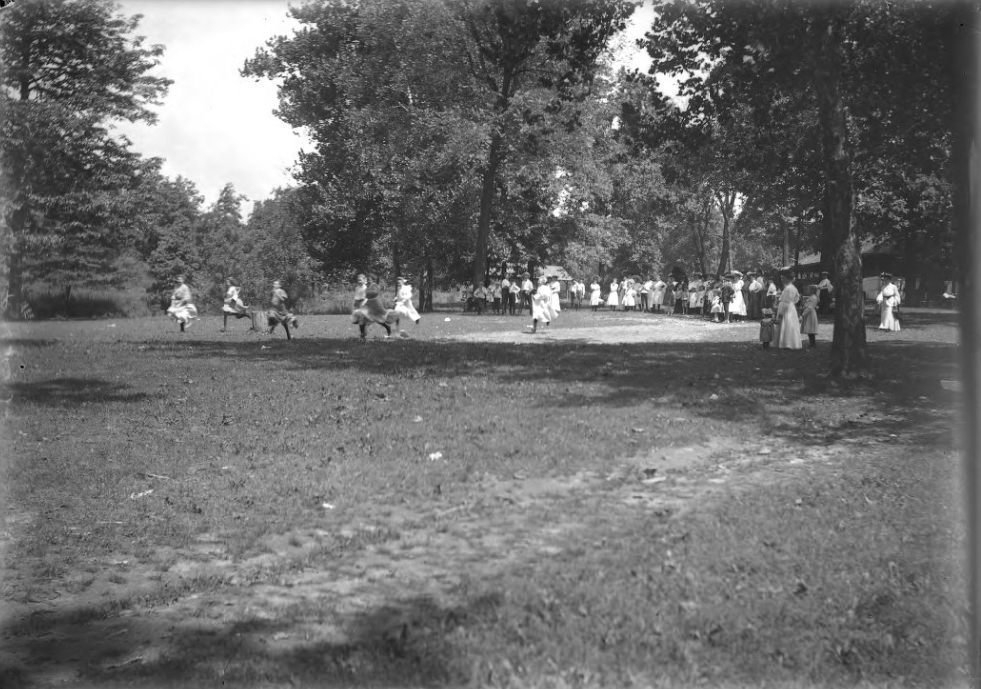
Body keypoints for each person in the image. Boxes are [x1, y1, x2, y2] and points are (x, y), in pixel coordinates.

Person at [775, 270, 802, 349]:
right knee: (788, 325)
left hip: (787, 309)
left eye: (783, 278)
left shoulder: (789, 289)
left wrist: (780, 314)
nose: (782, 280)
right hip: (790, 307)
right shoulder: (791, 288)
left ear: (787, 278)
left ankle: (788, 343)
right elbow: (797, 298)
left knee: (787, 324)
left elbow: (786, 302)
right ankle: (787, 343)